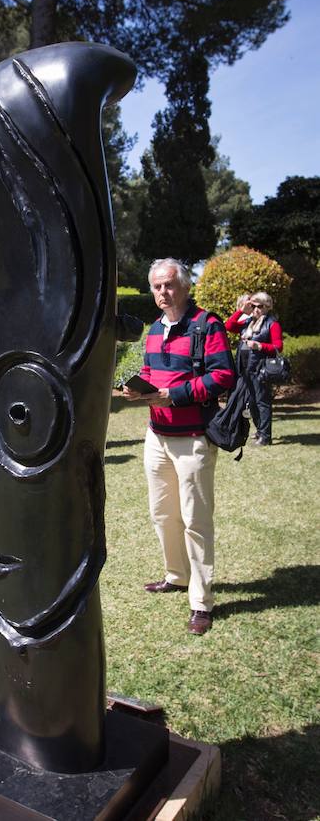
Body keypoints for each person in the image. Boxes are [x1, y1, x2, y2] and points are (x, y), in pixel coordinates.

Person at [123, 258, 235, 636]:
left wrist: (176, 395)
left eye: (169, 285)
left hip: (193, 438)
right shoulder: (155, 329)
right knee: (162, 514)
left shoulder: (208, 324)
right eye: (156, 286)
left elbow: (223, 375)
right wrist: (140, 386)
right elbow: (154, 373)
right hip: (157, 436)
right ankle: (176, 575)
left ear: (185, 286)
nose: (162, 292)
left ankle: (201, 603)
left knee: (196, 522)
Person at [225, 291, 283, 446]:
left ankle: (266, 436)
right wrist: (241, 311)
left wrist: (259, 345)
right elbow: (229, 326)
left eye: (260, 306)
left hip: (260, 369)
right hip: (245, 368)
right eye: (253, 305)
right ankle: (260, 431)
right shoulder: (249, 321)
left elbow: (278, 347)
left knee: (262, 402)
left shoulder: (272, 323)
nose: (256, 309)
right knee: (252, 401)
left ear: (267, 306)